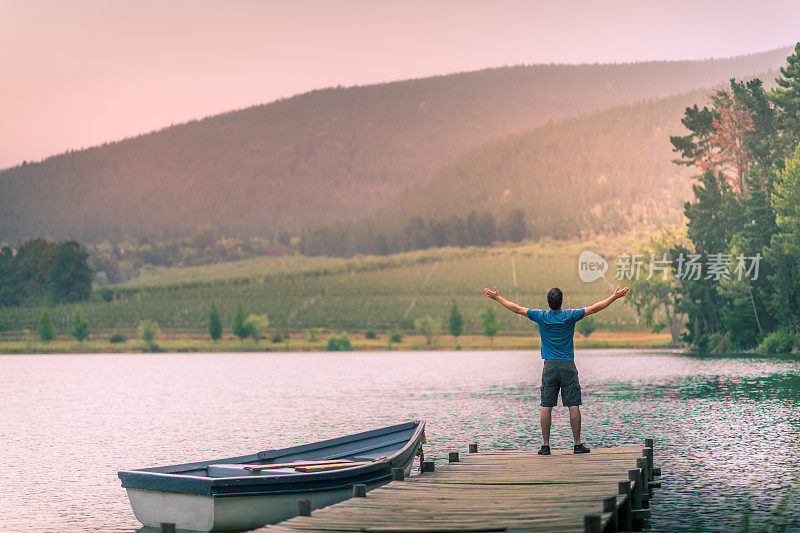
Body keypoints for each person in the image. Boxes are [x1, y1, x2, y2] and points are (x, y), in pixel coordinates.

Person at [482, 285, 629, 455]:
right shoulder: (570, 315)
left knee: (546, 405)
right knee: (573, 404)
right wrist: (614, 297)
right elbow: (595, 308)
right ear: (562, 302)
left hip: (549, 366)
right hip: (567, 365)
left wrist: (497, 298)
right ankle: (577, 445)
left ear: (548, 302)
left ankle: (545, 446)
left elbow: (517, 309)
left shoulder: (541, 316)